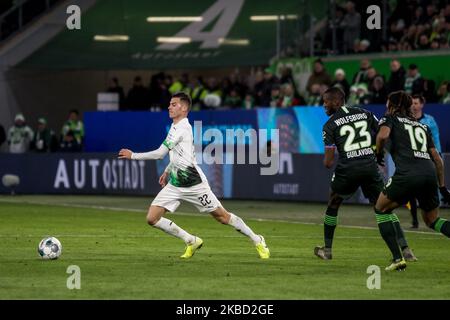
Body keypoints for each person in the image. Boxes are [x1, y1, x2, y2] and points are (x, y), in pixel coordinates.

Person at [118, 92, 270, 259]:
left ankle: (257, 239)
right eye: (169, 104)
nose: (169, 107)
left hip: (194, 184)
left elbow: (160, 154)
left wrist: (133, 155)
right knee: (152, 218)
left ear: (183, 108)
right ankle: (191, 240)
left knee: (223, 217)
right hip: (176, 183)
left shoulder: (182, 128)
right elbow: (182, 154)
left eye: (173, 104)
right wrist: (168, 171)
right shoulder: (176, 127)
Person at [314, 87, 415, 262]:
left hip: (348, 169)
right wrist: (377, 152)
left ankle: (328, 250)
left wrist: (327, 161)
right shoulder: (364, 113)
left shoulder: (329, 125)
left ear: (336, 102)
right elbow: (382, 133)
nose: (324, 105)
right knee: (384, 206)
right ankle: (406, 249)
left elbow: (329, 162)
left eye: (326, 101)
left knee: (334, 202)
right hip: (370, 166)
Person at [375, 91, 450, 271]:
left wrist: (378, 154)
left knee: (381, 209)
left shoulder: (389, 118)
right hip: (429, 174)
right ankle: (404, 251)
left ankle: (397, 259)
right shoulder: (422, 126)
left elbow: (382, 136)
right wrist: (442, 187)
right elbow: (438, 159)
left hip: (408, 174)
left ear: (392, 104)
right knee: (432, 220)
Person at [407, 94, 442, 228]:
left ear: (422, 104)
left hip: (428, 160)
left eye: (416, 103)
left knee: (429, 190)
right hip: (412, 160)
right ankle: (415, 220)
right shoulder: (407, 120)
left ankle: (433, 215)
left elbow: (436, 139)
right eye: (412, 103)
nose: (414, 106)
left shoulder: (430, 121)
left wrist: (436, 156)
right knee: (411, 191)